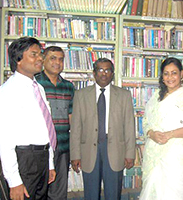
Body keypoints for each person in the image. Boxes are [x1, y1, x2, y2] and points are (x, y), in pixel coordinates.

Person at [70, 58, 136, 200]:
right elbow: (76, 128)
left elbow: (129, 126)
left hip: (115, 149)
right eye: (100, 70)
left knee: (113, 193)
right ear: (94, 73)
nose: (104, 73)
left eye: (107, 70)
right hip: (88, 149)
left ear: (112, 74)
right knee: (91, 193)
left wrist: (130, 153)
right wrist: (75, 155)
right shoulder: (81, 95)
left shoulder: (124, 95)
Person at [140, 57, 183, 200]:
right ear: (162, 76)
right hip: (154, 153)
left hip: (177, 157)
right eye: (166, 73)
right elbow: (146, 121)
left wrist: (170, 134)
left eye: (174, 73)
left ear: (181, 74)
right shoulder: (157, 96)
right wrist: (151, 134)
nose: (170, 77)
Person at [0, 37, 56, 200]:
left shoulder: (38, 88)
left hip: (42, 156)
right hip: (23, 159)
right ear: (18, 59)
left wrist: (50, 164)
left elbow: (46, 128)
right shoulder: (8, 91)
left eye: (40, 54)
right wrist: (14, 181)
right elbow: (4, 139)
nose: (40, 58)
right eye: (34, 54)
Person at [35, 46, 75, 200]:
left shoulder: (69, 86)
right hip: (41, 150)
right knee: (38, 192)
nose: (57, 62)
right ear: (43, 60)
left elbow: (71, 118)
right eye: (53, 58)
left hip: (63, 147)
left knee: (59, 193)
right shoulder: (35, 84)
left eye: (60, 59)